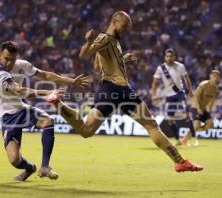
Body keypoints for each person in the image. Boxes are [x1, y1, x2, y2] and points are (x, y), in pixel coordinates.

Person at [47, 11, 203, 172]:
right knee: (151, 125)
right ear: (114, 22)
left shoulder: (113, 41)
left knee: (86, 130)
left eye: (127, 27)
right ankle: (179, 161)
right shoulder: (105, 38)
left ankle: (58, 104)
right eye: (124, 26)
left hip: (107, 90)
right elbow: (84, 55)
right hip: (121, 89)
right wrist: (88, 42)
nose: (125, 30)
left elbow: (97, 65)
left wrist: (122, 59)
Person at [0, 41, 89, 181]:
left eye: (13, 59)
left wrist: (71, 82)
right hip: (7, 116)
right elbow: (18, 90)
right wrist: (46, 92)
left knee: (47, 121)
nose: (9, 63)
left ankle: (45, 167)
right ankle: (30, 168)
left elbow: (46, 75)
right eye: (6, 58)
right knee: (14, 160)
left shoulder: (22, 65)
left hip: (21, 109)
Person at [151, 48, 196, 146]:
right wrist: (153, 94)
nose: (169, 58)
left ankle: (193, 137)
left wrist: (190, 91)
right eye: (167, 56)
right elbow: (155, 82)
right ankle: (178, 140)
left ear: (174, 57)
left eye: (171, 56)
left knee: (187, 115)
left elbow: (186, 78)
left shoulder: (180, 66)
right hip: (169, 96)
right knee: (170, 120)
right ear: (165, 57)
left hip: (180, 94)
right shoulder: (161, 68)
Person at [181, 70, 220, 145]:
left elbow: (212, 101)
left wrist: (210, 111)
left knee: (210, 125)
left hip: (204, 109)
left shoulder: (216, 90)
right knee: (196, 125)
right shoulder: (203, 85)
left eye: (217, 77)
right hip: (195, 107)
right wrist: (198, 108)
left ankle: (187, 136)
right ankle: (184, 139)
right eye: (214, 76)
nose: (216, 78)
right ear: (210, 76)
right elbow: (195, 97)